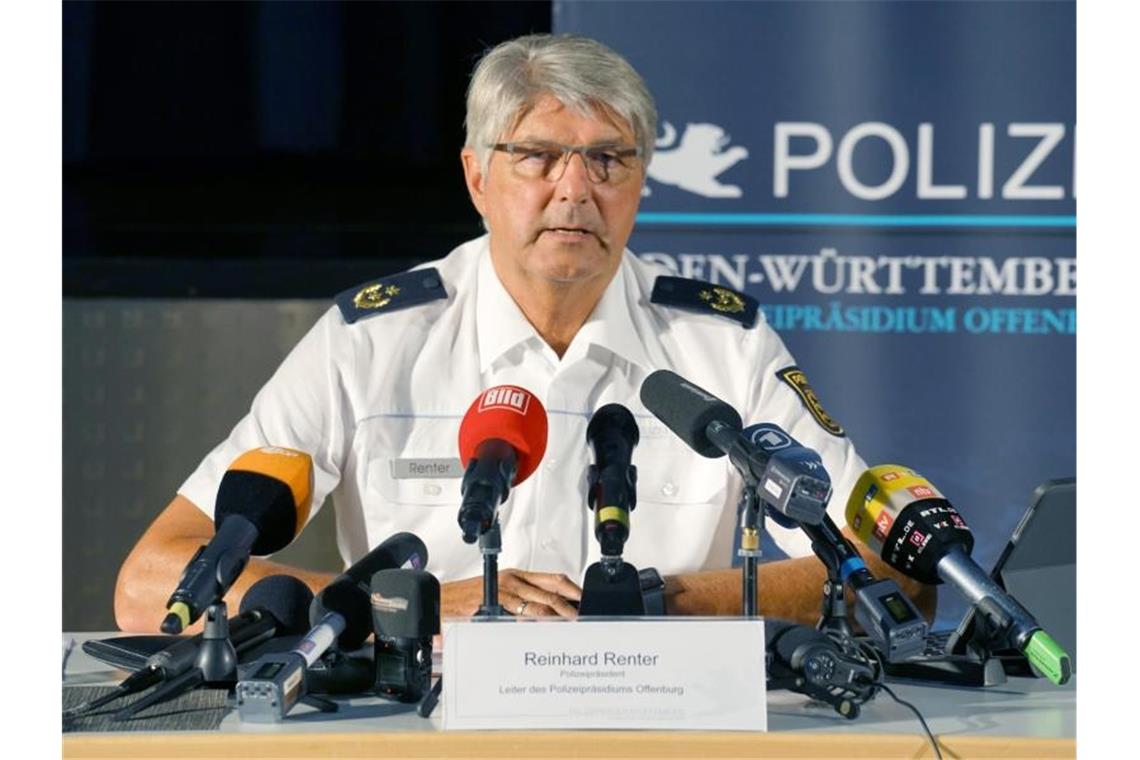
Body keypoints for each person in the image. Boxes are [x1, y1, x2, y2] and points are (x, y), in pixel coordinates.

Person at [114, 34, 934, 632]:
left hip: (664, 722)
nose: (576, 191)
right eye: (539, 157)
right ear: (478, 176)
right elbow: (152, 581)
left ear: (644, 181)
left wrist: (647, 605)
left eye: (609, 160)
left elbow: (883, 565)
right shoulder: (371, 340)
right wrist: (413, 609)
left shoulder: (723, 343)